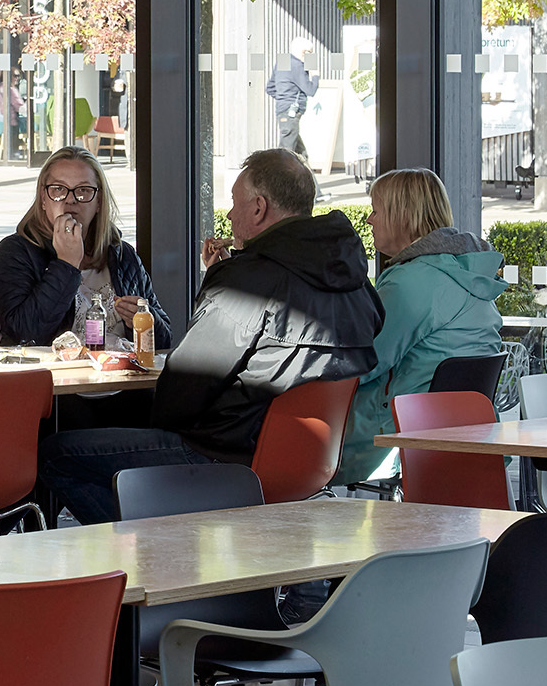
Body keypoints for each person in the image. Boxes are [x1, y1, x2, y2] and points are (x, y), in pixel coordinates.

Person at [33, 146, 381, 523]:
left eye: (234, 202)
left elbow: (184, 389)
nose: (229, 215)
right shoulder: (354, 282)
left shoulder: (247, 284)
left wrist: (223, 284)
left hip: (221, 454)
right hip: (306, 462)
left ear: (259, 208)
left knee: (55, 455)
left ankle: (156, 546)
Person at [337, 167, 506, 484]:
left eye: (376, 210)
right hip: (472, 434)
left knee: (280, 436)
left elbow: (360, 362)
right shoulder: (469, 273)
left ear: (403, 216)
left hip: (398, 437)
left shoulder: (411, 283)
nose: (369, 220)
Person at [0, 147, 171, 353]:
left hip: (120, 371)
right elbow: (22, 334)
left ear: (98, 202)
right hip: (51, 373)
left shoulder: (121, 254)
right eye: (58, 189)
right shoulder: (15, 252)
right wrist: (66, 264)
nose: (70, 199)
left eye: (83, 190)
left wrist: (144, 319)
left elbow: (164, 342)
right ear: (43, 198)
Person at [267, 39, 320, 154]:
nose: (310, 57)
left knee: (299, 152)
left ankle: (304, 165)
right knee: (287, 151)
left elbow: (270, 88)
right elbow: (310, 90)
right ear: (303, 52)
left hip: (282, 110)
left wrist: (283, 98)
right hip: (292, 112)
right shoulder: (297, 65)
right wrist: (315, 75)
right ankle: (280, 166)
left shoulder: (282, 61)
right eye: (310, 52)